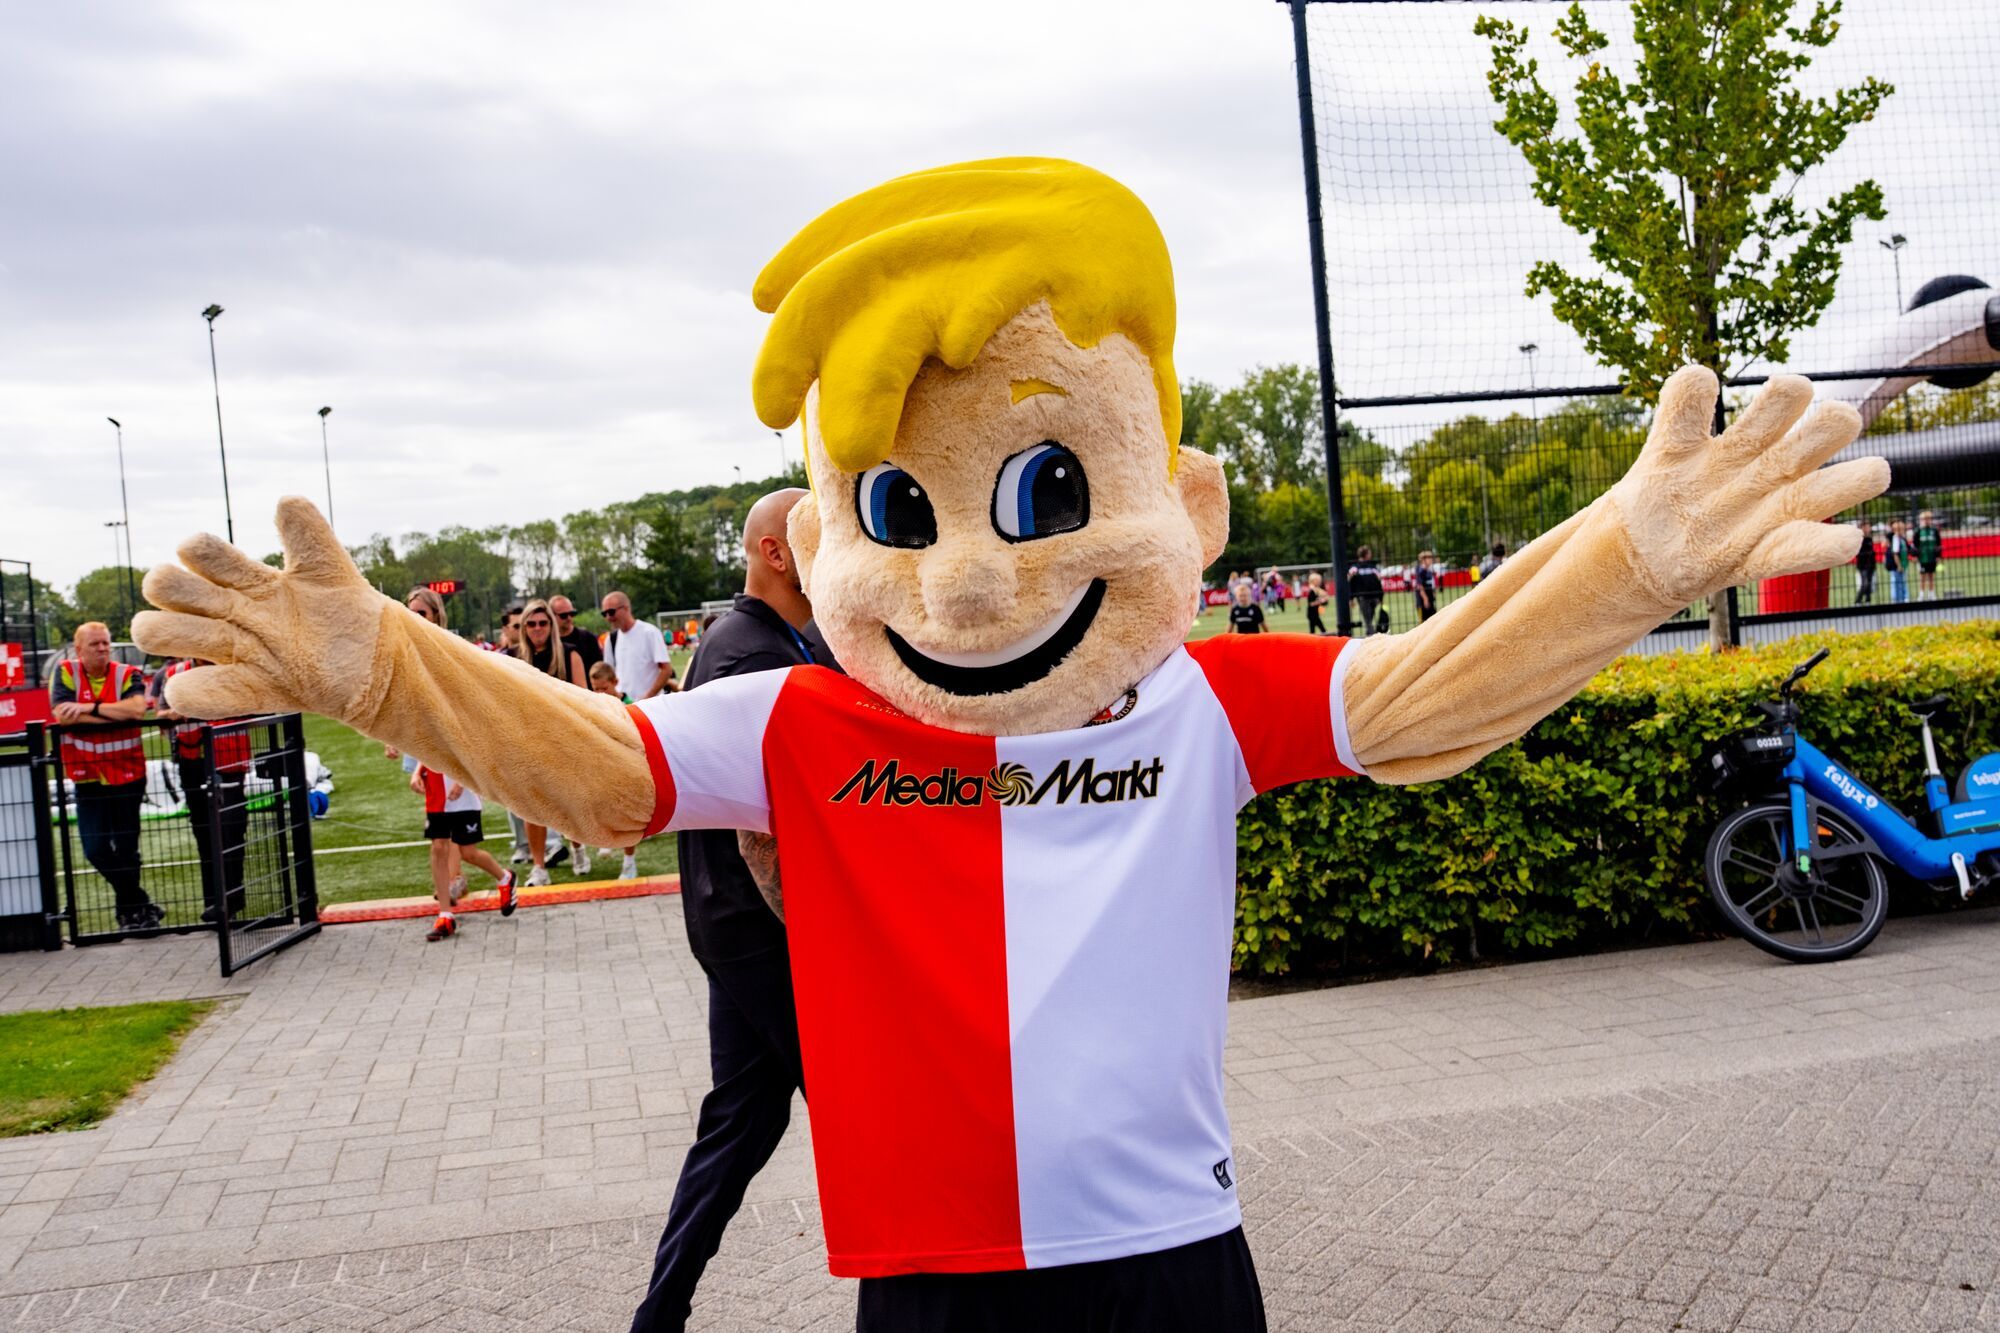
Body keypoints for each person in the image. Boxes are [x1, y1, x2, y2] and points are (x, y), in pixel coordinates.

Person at [139, 161, 1888, 1333]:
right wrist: (387, 668)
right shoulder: (798, 718)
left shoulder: (1208, 698)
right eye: (897, 507)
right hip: (931, 1276)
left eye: (1052, 488)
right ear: (821, 539)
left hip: (1173, 1263)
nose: (970, 572)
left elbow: (1437, 687)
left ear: (1181, 505)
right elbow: (600, 768)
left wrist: (1635, 555)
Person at [632, 489, 838, 1332]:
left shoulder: (792, 636)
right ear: (776, 553)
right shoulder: (741, 652)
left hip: (743, 927)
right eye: (818, 530)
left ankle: (661, 1310)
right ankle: (934, 1289)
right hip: (760, 929)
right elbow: (770, 823)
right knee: (865, 1100)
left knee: (743, 1119)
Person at [50, 622, 160, 932]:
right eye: (95, 644)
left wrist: (88, 707)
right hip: (88, 777)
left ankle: (131, 916)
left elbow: (137, 710)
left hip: (127, 774)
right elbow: (60, 714)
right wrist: (113, 710)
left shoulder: (127, 673)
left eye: (105, 643)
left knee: (126, 848)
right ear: (79, 649)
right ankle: (140, 903)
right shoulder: (66, 671)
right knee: (95, 848)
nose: (102, 648)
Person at [154, 656, 251, 922]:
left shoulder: (232, 668)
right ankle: (216, 901)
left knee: (231, 828)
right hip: (192, 761)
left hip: (229, 759)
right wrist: (171, 715)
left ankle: (230, 897)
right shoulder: (173, 673)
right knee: (204, 832)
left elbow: (253, 705)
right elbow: (160, 716)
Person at [516, 598, 589, 885]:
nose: (537, 629)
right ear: (523, 627)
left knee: (569, 805)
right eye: (531, 624)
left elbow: (585, 697)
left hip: (564, 740)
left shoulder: (569, 655)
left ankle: (578, 847)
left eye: (543, 623)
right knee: (531, 807)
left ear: (551, 625)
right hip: (526, 741)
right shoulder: (511, 656)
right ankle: (539, 866)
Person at [412, 761, 515, 941]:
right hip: (436, 792)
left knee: (469, 853)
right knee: (438, 847)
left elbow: (472, 750)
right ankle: (445, 915)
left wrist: (461, 782)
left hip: (463, 796)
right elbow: (426, 746)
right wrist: (417, 771)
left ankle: (505, 877)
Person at [588, 661, 645, 880]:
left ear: (615, 683)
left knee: (627, 818)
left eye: (604, 688)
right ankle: (605, 842)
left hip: (627, 767)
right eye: (595, 689)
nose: (600, 693)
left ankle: (629, 862)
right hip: (604, 766)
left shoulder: (630, 706)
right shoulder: (595, 705)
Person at [604, 591, 676, 700]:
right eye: (604, 614)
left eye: (611, 612)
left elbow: (666, 670)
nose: (608, 617)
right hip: (623, 707)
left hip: (649, 706)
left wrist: (646, 698)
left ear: (626, 608)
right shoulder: (611, 639)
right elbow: (608, 675)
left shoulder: (649, 632)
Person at [550, 595, 603, 674]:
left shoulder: (588, 638)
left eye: (572, 613)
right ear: (551, 616)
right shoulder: (549, 642)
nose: (569, 618)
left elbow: (599, 670)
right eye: (563, 615)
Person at [1348, 545, 1384, 637]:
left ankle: (1369, 633)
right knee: (1367, 618)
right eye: (1369, 553)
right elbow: (1351, 582)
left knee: (1369, 616)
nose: (1371, 554)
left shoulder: (1373, 566)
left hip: (1374, 597)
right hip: (1363, 597)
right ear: (1366, 554)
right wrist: (1351, 598)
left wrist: (1380, 596)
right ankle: (1372, 634)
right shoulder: (1355, 568)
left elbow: (1378, 581)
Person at [1916, 510, 1942, 600]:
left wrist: (1938, 556)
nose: (1926, 521)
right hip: (1922, 558)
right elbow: (1915, 545)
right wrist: (1915, 556)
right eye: (1924, 519)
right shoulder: (1918, 531)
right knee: (1922, 576)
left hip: (1932, 557)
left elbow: (1939, 544)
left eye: (1928, 519)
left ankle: (1931, 593)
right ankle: (1921, 594)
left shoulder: (1934, 531)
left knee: (1931, 576)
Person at [1887, 520, 1911, 603]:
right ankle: (1897, 600)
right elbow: (1895, 554)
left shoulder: (1902, 539)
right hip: (1897, 566)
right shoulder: (1895, 539)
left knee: (1902, 582)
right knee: (1897, 583)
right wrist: (1899, 565)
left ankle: (1904, 598)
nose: (1903, 531)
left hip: (1903, 564)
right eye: (1901, 529)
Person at [1853, 524, 1877, 604]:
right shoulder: (1859, 539)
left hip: (1871, 565)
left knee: (1869, 583)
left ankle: (1868, 600)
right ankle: (1858, 600)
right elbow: (1858, 553)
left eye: (1868, 527)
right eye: (1866, 527)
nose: (1868, 529)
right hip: (1862, 565)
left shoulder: (1869, 539)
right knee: (1865, 583)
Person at [1413, 550, 1439, 622]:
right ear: (1423, 559)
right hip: (1422, 601)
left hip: (1430, 599)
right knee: (1423, 622)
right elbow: (1419, 586)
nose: (1431, 559)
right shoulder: (1420, 570)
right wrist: (1425, 599)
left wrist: (1433, 594)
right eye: (1429, 558)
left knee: (1433, 620)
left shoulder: (1429, 570)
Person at [1303, 571, 1330, 635]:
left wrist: (1323, 601)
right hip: (1312, 614)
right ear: (1313, 581)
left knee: (1312, 631)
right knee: (1323, 630)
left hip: (1315, 613)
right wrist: (1321, 601)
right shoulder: (1312, 591)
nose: (1319, 582)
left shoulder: (1317, 590)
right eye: (1317, 580)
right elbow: (1311, 604)